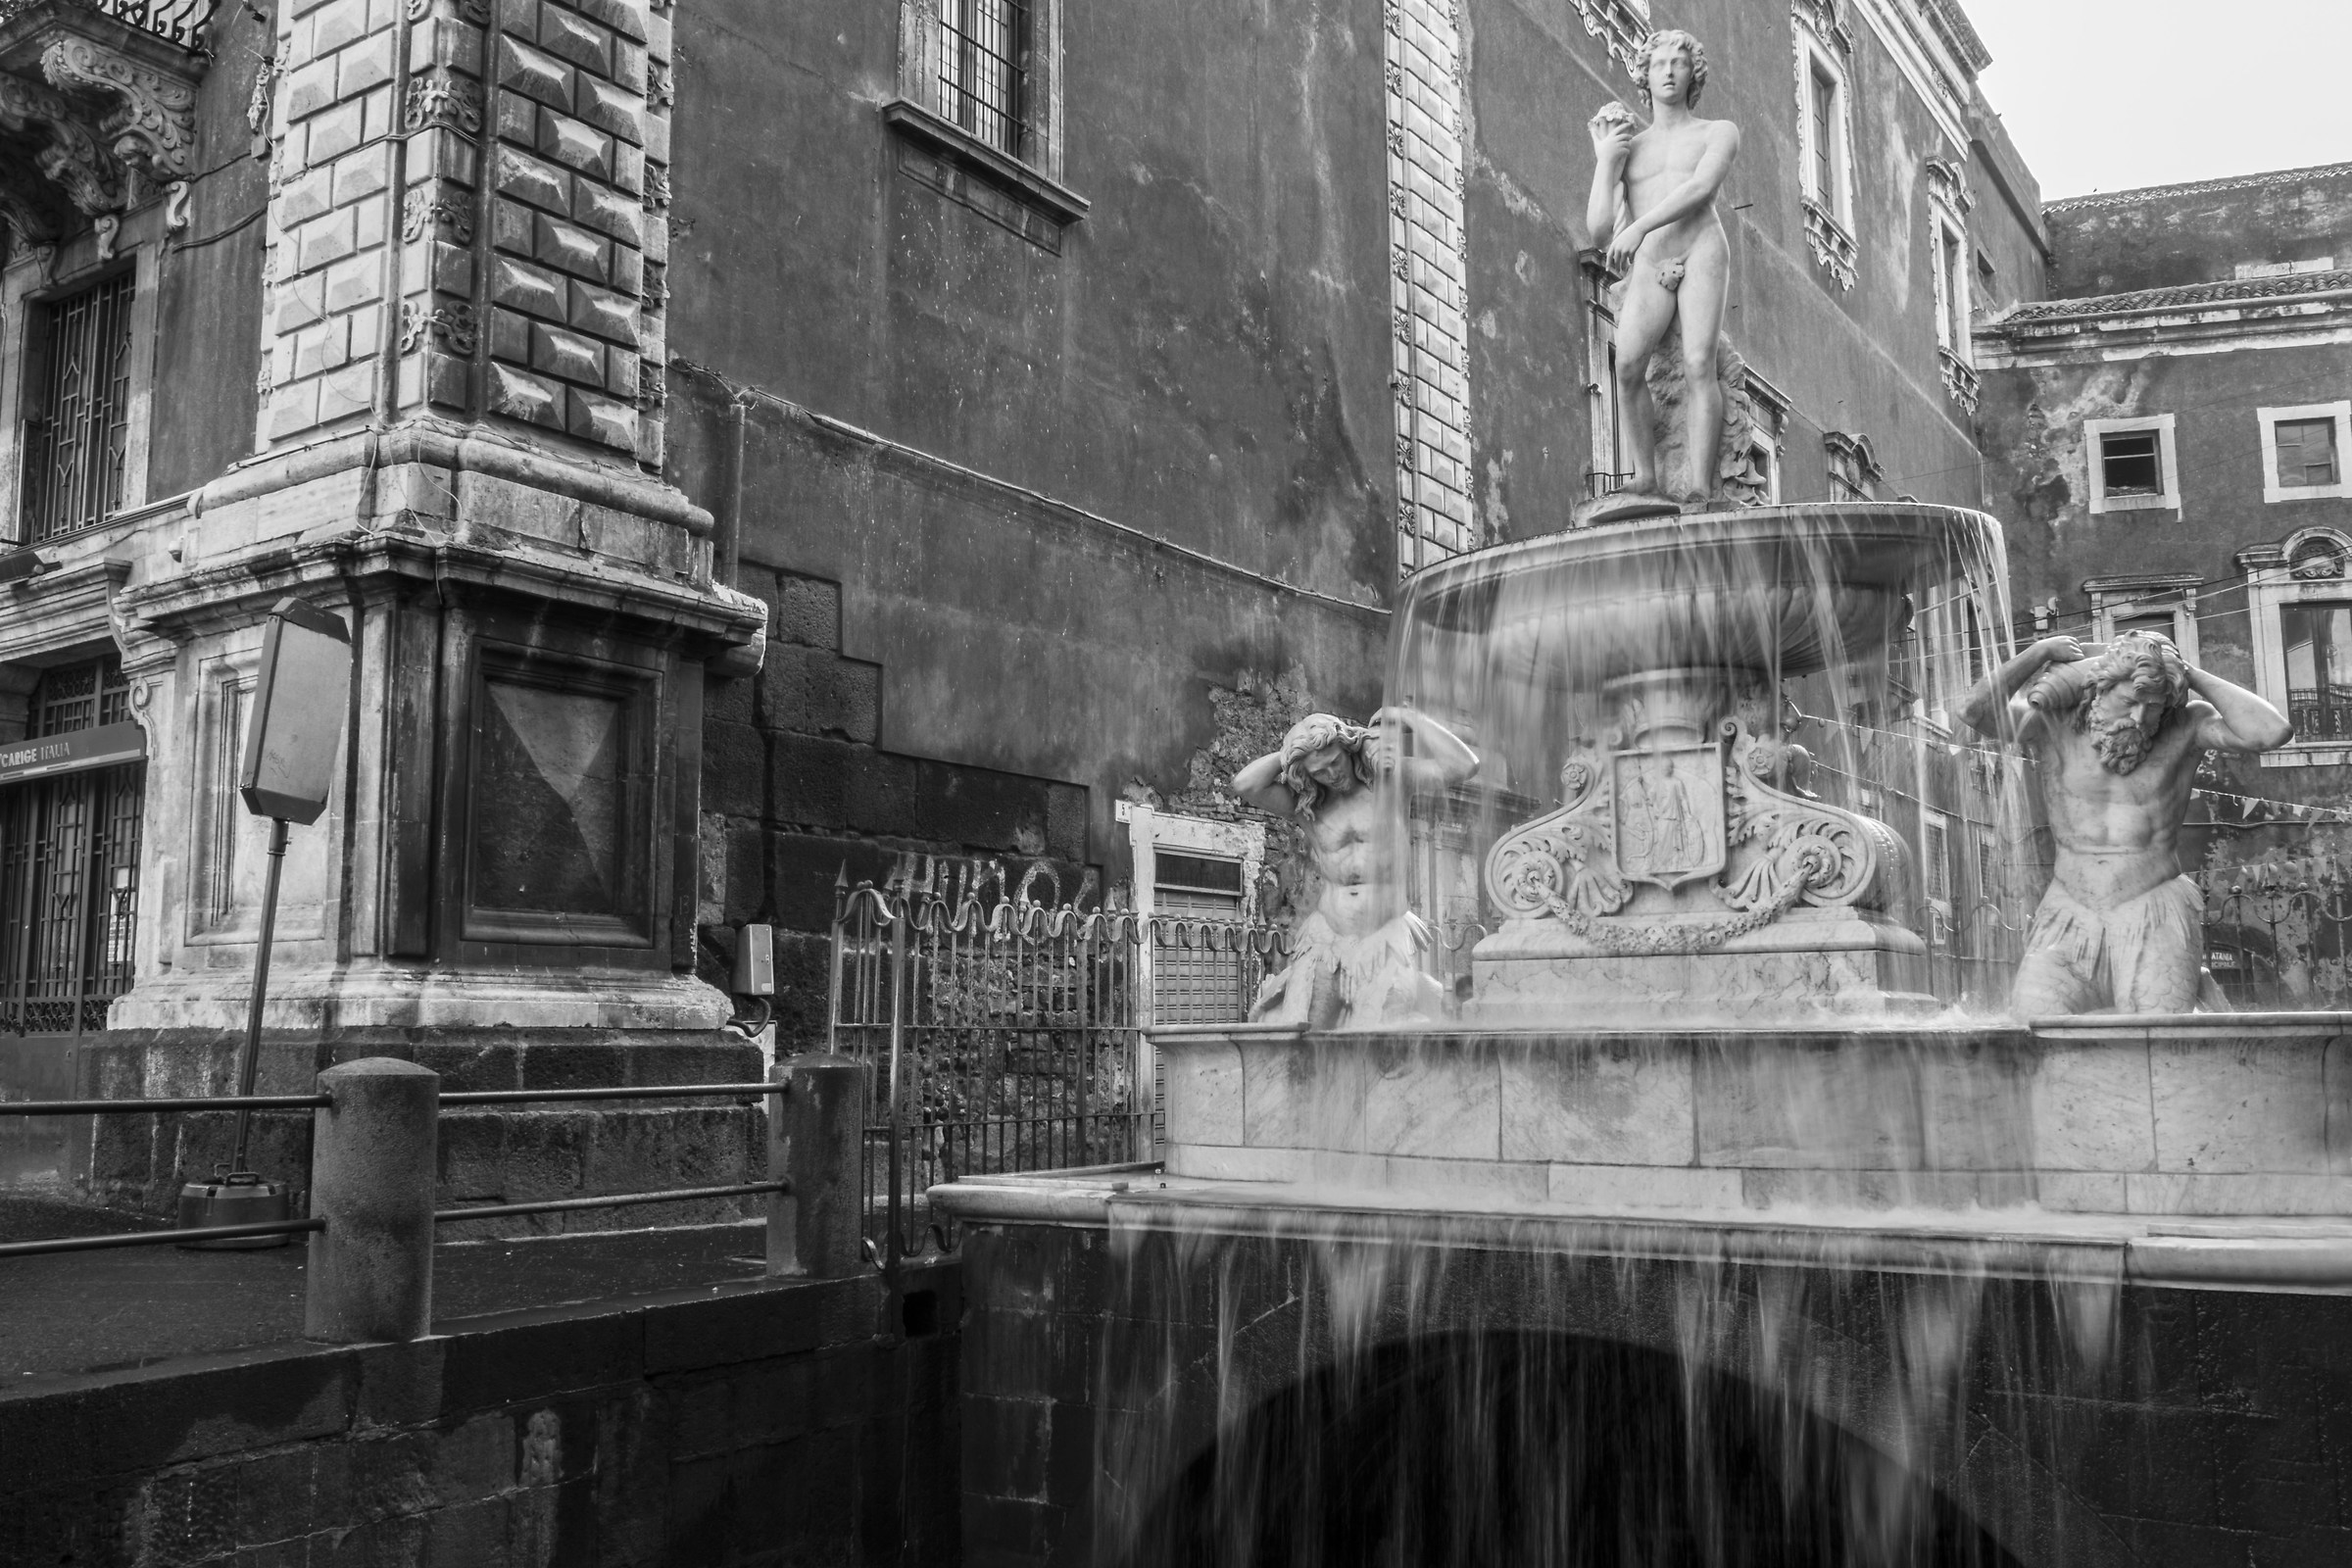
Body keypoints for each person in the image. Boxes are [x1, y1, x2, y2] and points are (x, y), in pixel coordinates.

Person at [1960, 630, 2293, 1015]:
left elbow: (2271, 733)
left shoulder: (2185, 726)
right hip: (2069, 910)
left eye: (2153, 706)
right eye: (2130, 701)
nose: (2140, 717)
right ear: (2102, 687)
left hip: (2153, 906)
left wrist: (2188, 672)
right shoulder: (2052, 726)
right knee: (2033, 1027)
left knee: (2159, 1041)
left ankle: (2189, 982)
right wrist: (2037, 654)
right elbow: (1974, 712)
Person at [1232, 708, 1478, 1028]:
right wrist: (1290, 754)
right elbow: (1245, 785)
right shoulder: (1307, 806)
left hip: (1384, 933)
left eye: (1335, 761)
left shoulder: (1391, 781)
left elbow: (1465, 766)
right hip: (1326, 937)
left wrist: (1408, 718)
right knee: (1300, 1030)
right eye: (1320, 771)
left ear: (1350, 747)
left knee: (1382, 1027)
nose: (1332, 774)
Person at [1585, 29, 1741, 506]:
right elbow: (1597, 231)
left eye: (1679, 63)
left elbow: (1702, 188)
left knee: (1699, 364)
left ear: (1694, 73)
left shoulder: (1718, 131)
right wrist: (1604, 163)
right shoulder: (1631, 146)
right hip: (1653, 259)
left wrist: (1639, 228)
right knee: (1628, 364)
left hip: (1700, 248)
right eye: (1659, 64)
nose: (1669, 72)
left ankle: (1698, 486)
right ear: (1644, 76)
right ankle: (1645, 478)